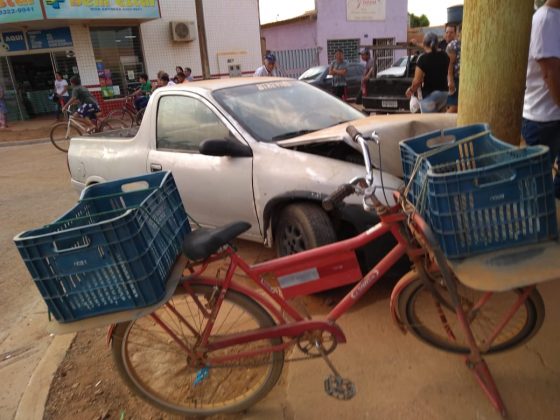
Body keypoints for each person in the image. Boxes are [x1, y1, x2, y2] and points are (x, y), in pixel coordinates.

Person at [522, 0, 560, 199]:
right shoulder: (545, 19)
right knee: (536, 189)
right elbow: (550, 74)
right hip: (542, 119)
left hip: (552, 116)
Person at [405, 32, 450, 113]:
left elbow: (417, 81)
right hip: (444, 95)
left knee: (429, 120)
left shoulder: (423, 59)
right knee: (441, 120)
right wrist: (417, 44)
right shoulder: (445, 55)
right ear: (437, 44)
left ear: (424, 43)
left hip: (429, 96)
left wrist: (411, 90)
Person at [446, 28, 461, 113]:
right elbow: (450, 64)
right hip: (455, 78)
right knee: (454, 107)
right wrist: (450, 80)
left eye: (451, 32)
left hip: (464, 79)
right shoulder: (454, 45)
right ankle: (442, 121)